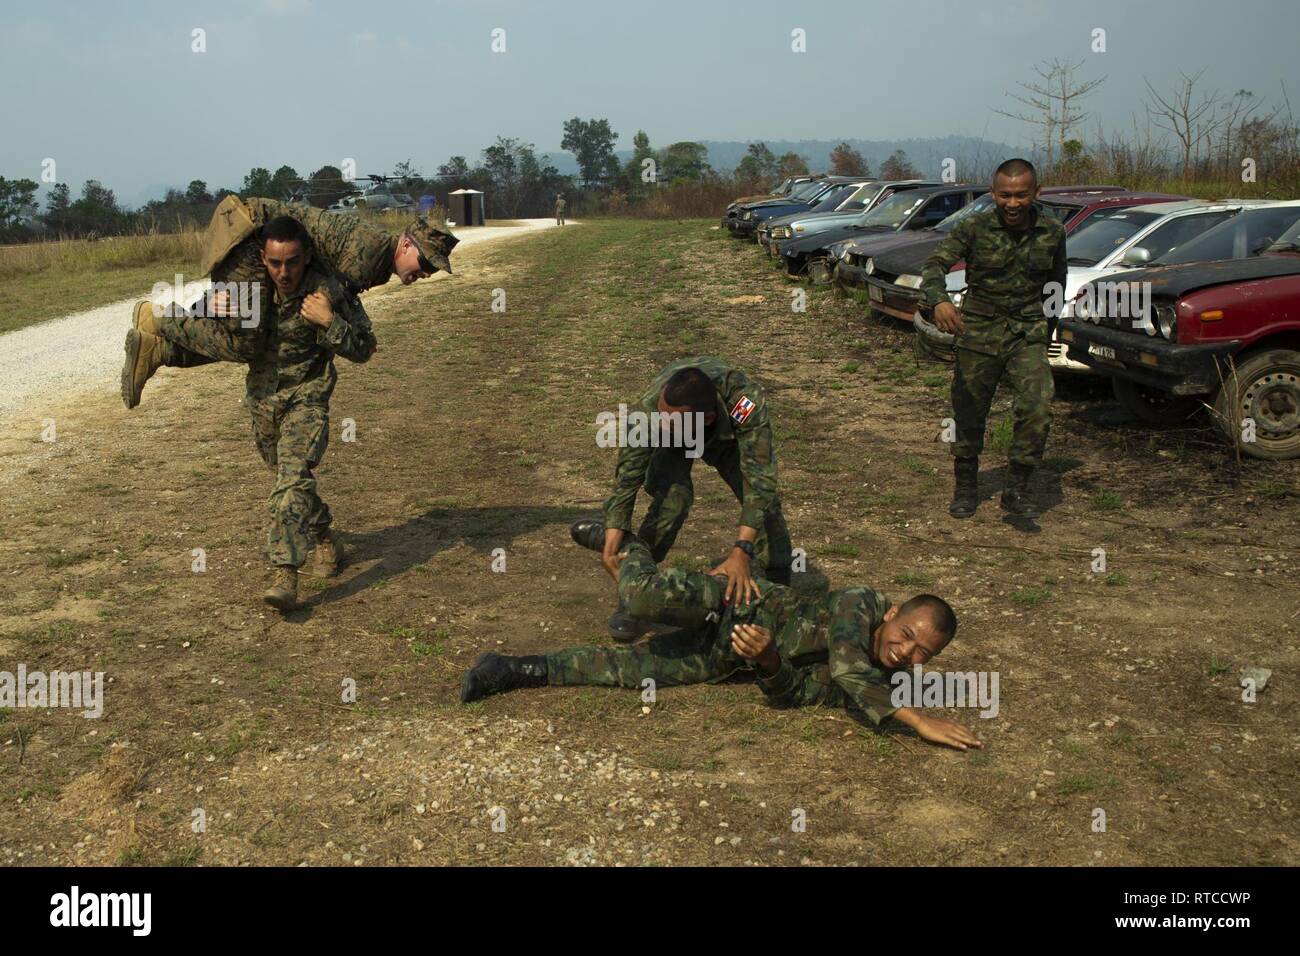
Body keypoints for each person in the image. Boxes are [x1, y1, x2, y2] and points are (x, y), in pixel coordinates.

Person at [459, 520, 983, 752]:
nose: (906, 651)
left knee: (631, 670)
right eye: (908, 633)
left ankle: (511, 668)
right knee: (642, 598)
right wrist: (915, 718)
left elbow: (795, 695)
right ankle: (631, 544)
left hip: (727, 655)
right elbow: (846, 660)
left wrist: (771, 661)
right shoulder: (862, 603)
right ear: (893, 613)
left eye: (922, 653)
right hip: (734, 597)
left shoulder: (871, 686)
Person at [127, 215, 376, 610]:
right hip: (262, 403)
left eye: (292, 262)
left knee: (290, 483)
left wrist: (329, 322)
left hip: (306, 401)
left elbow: (364, 348)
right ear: (263, 258)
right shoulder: (251, 290)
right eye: (275, 263)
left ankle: (284, 575)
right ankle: (327, 538)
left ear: (307, 256)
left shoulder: (329, 290)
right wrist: (215, 305)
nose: (283, 272)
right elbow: (221, 338)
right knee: (290, 482)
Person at [121, 194, 456, 409]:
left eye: (432, 270)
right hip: (249, 237)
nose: (426, 273)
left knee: (260, 328)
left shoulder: (381, 258)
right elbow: (327, 296)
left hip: (260, 240)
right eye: (426, 264)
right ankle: (158, 317)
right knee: (247, 339)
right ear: (408, 245)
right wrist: (351, 336)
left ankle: (160, 350)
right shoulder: (369, 255)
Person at [597, 357, 794, 642]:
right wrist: (613, 535)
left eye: (670, 420)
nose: (661, 423)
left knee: (766, 509)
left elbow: (760, 482)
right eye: (661, 416)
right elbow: (628, 477)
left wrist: (741, 551)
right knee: (672, 502)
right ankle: (636, 590)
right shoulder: (653, 410)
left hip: (725, 439)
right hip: (681, 435)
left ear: (707, 419)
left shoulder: (745, 403)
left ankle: (778, 601)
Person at [920, 158, 1067, 519]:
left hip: (1027, 333)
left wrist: (1048, 324)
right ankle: (966, 487)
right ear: (993, 193)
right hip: (979, 332)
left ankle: (1016, 489)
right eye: (1004, 195)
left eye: (1021, 195)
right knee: (969, 410)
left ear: (1036, 193)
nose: (1012, 204)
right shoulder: (973, 227)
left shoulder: (1052, 231)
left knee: (1038, 406)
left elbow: (1057, 280)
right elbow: (934, 264)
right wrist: (939, 300)